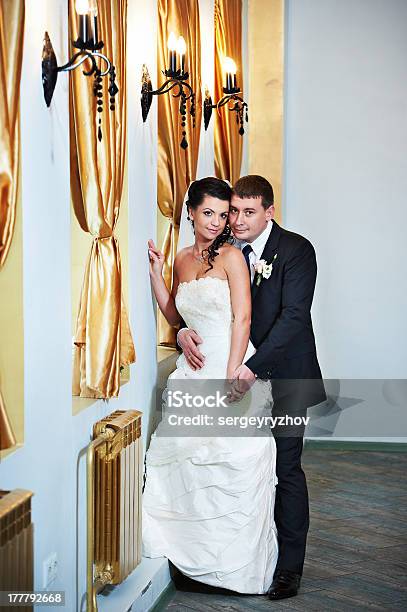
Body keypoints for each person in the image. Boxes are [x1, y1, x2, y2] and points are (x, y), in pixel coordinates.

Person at [178, 175, 326, 600]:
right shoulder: (220, 252)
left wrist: (249, 367)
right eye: (233, 212)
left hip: (286, 379)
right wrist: (183, 334)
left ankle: (289, 571)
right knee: (241, 469)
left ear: (268, 212)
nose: (237, 221)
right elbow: (203, 310)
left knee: (285, 468)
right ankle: (240, 559)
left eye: (247, 212)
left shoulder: (296, 250)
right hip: (237, 376)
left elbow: (294, 317)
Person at [142, 177, 279, 594]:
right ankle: (191, 561)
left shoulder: (234, 258)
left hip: (226, 365)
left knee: (231, 460)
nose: (219, 222)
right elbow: (174, 312)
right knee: (186, 460)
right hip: (192, 369)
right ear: (190, 212)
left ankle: (234, 570)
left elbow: (242, 318)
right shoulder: (182, 259)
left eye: (224, 215)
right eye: (210, 213)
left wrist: (234, 373)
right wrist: (154, 274)